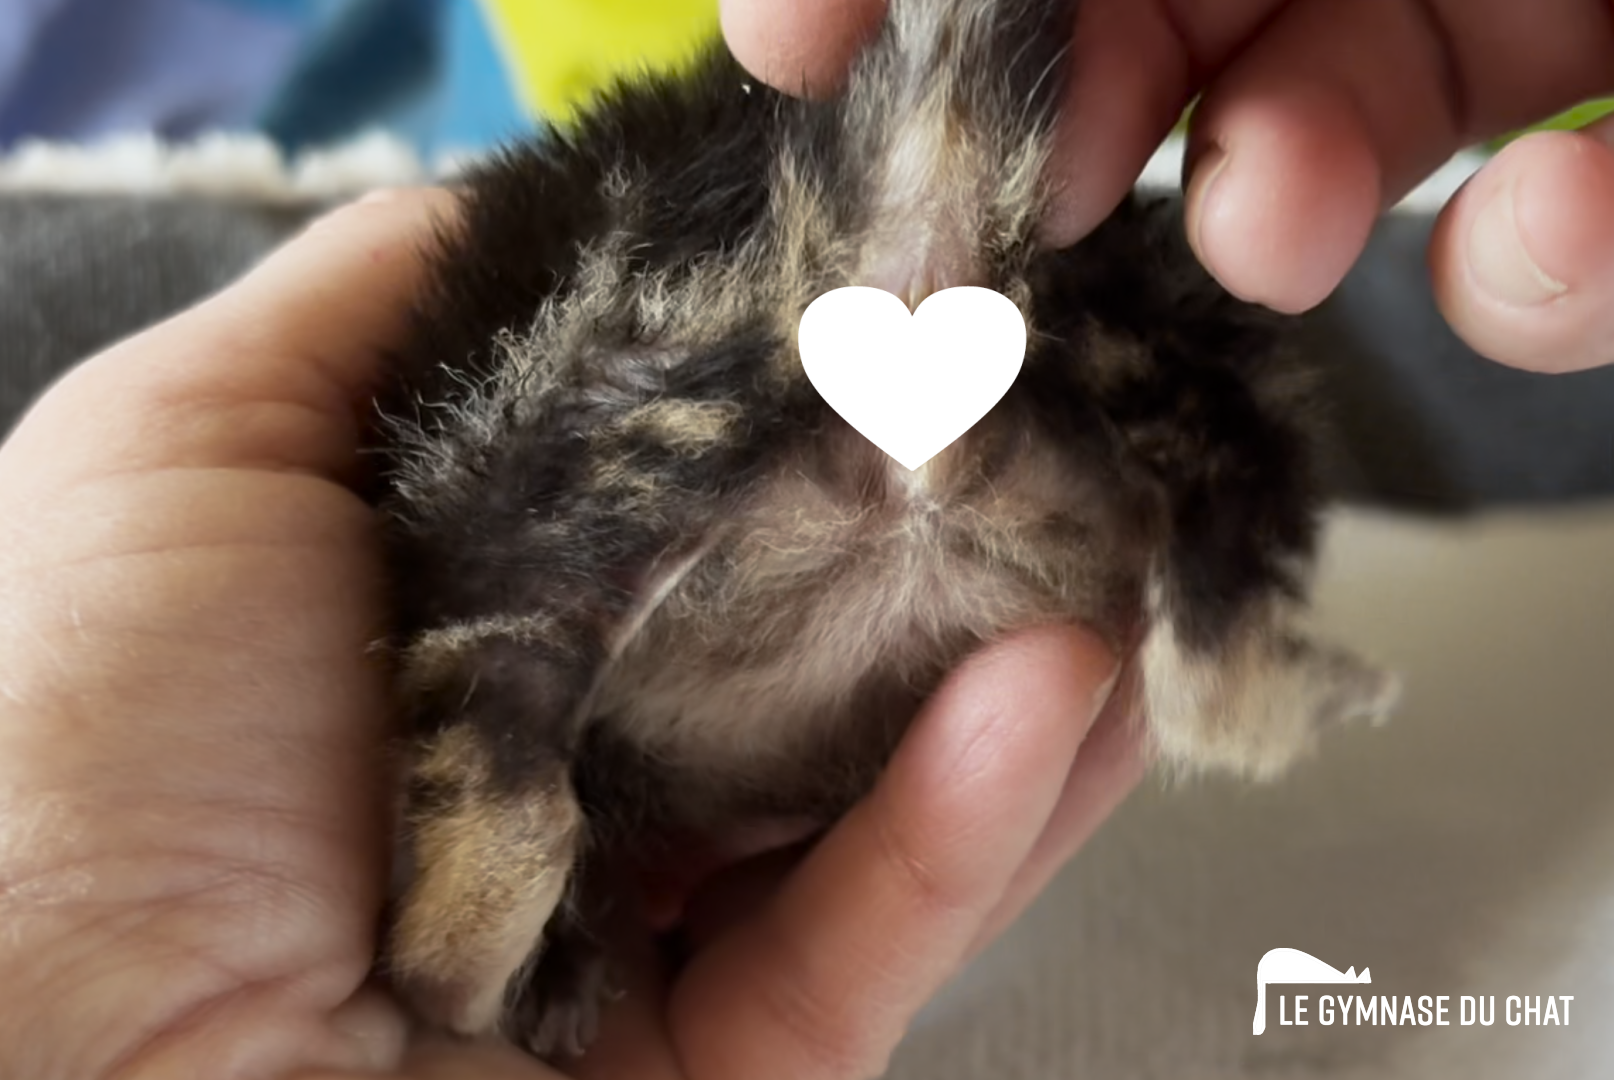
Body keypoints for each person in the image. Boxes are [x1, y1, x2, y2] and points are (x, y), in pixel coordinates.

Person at [0, 4, 1609, 1079]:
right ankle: (1217, 622)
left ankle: (499, 765)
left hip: (721, 493)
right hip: (1007, 425)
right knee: (1185, 298)